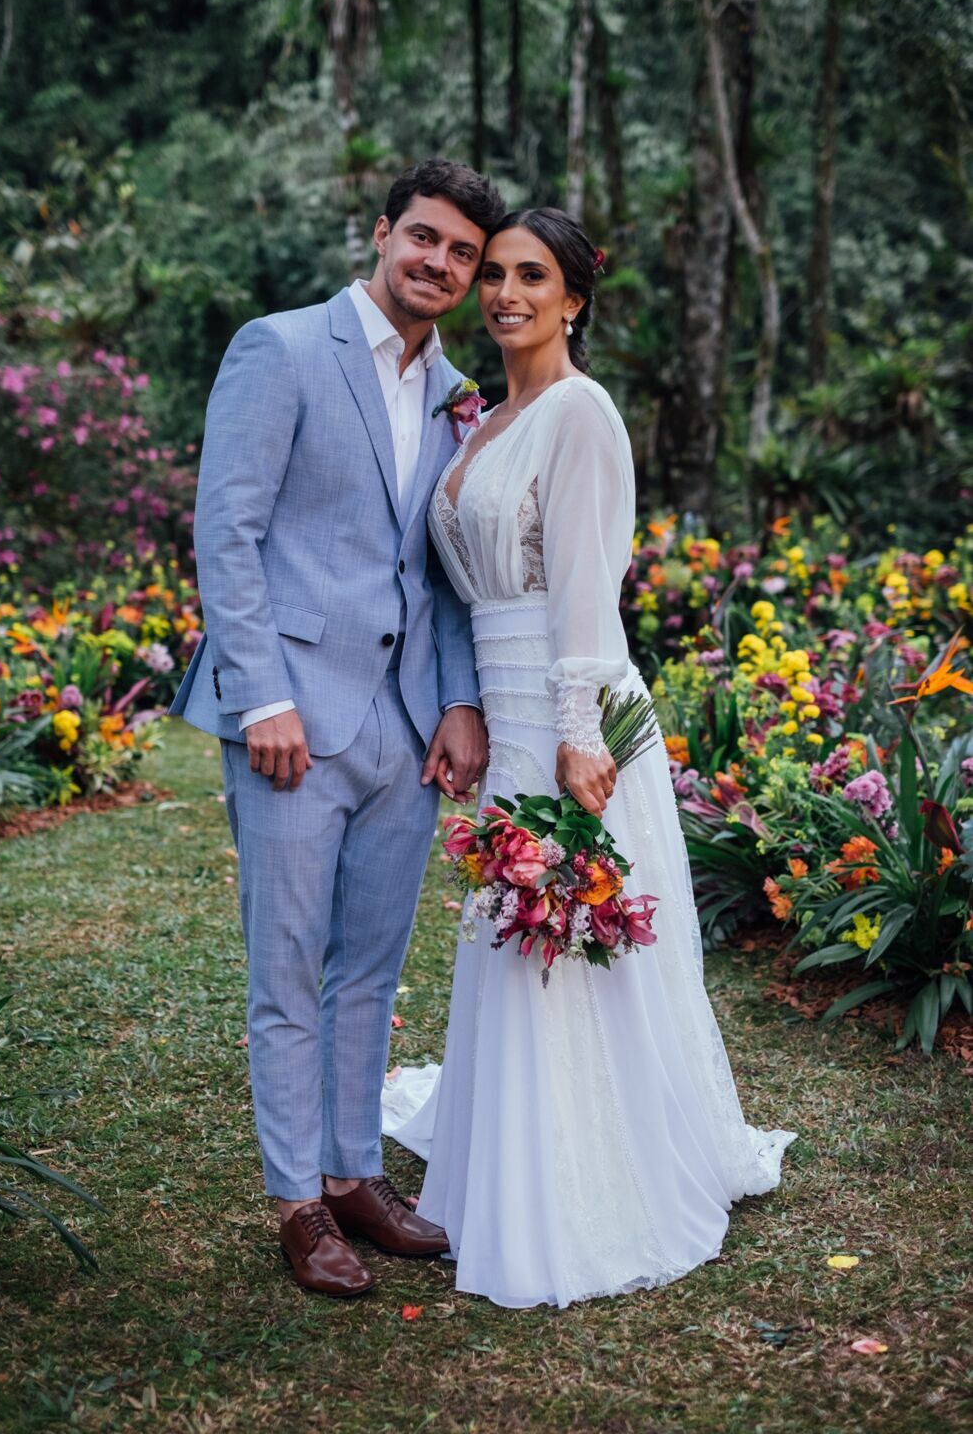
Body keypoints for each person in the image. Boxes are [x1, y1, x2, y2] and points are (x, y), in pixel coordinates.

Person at [381, 207, 796, 1309]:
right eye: (495, 275)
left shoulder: (581, 411)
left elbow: (584, 585)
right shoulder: (479, 414)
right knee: (507, 922)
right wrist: (465, 704)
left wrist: (574, 733)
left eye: (532, 277)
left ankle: (576, 1178)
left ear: (573, 298)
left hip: (570, 700)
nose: (505, 293)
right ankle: (502, 1136)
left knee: (562, 924)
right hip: (499, 695)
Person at [171, 160, 504, 1296]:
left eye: (461, 253)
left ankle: (355, 1174)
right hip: (293, 721)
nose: (438, 264)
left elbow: (446, 571)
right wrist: (260, 695)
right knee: (287, 967)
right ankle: (296, 1202)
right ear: (380, 233)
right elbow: (229, 530)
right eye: (424, 238)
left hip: (405, 727)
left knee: (368, 968)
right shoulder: (280, 347)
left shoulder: (456, 387)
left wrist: (458, 701)